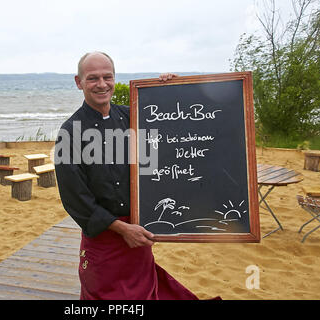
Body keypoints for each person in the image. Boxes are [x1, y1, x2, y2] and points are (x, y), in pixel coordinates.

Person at [54, 51, 211, 300]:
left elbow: (177, 132)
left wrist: (173, 91)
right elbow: (76, 200)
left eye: (108, 77)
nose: (102, 84)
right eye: (93, 78)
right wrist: (123, 229)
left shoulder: (133, 116)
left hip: (138, 234)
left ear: (115, 79)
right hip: (104, 240)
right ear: (78, 82)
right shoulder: (69, 133)